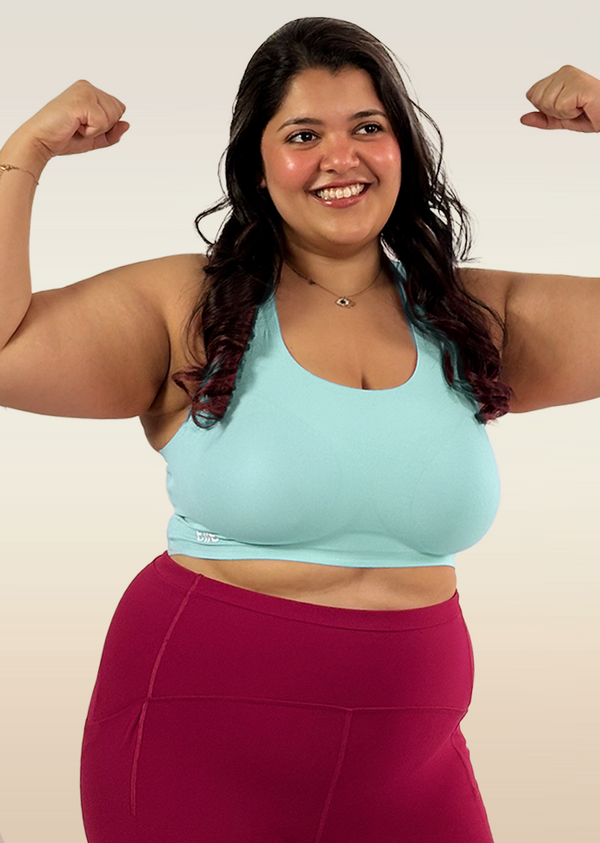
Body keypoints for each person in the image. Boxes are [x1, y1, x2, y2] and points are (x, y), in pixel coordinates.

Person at [1, 15, 599, 843]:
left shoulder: (469, 317)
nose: (340, 157)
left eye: (368, 128)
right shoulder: (187, 307)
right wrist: (23, 155)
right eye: (303, 134)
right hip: (196, 749)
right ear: (258, 164)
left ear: (403, 149)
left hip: (411, 772)